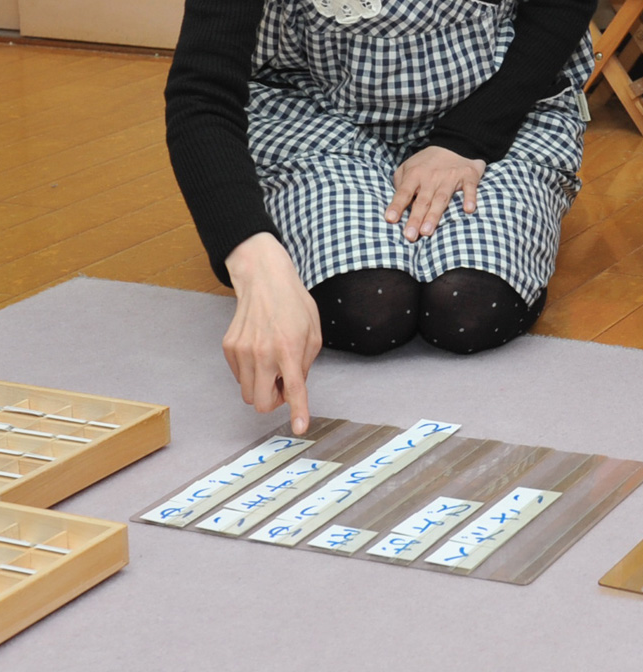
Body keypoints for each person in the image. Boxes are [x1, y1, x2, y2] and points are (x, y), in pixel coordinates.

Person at [164, 0, 595, 434]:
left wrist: (467, 139)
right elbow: (203, 91)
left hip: (500, 104)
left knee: (470, 305)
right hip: (315, 112)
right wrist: (254, 262)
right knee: (367, 303)